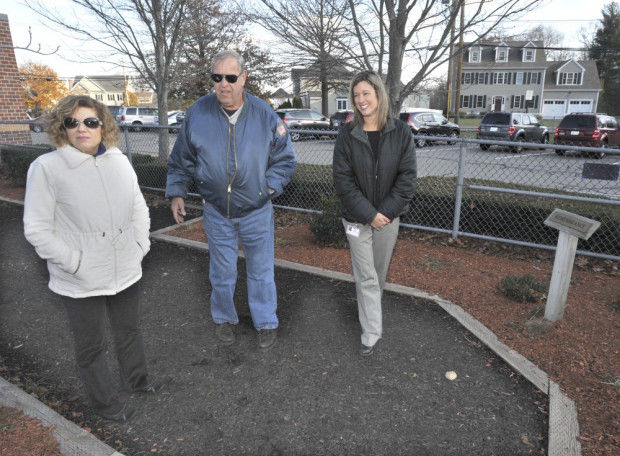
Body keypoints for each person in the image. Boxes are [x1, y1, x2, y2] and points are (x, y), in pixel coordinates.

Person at [23, 95, 165, 422]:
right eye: (72, 122)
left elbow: (138, 207)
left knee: (129, 330)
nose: (82, 129)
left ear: (103, 126)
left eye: (90, 121)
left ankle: (138, 381)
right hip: (81, 277)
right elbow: (37, 229)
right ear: (62, 128)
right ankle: (105, 403)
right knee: (91, 345)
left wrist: (140, 244)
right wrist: (76, 263)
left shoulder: (119, 160)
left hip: (125, 266)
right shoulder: (46, 168)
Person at [166, 50, 296, 350]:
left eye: (231, 77)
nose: (223, 84)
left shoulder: (265, 115)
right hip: (216, 212)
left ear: (243, 78)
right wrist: (177, 192)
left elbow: (285, 161)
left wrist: (268, 189)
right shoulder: (197, 113)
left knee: (261, 272)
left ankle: (265, 322)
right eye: (217, 77)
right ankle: (224, 318)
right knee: (221, 272)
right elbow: (181, 158)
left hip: (256, 211)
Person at [332, 71, 417, 356]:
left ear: (378, 95)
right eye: (356, 95)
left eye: (366, 93)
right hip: (356, 219)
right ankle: (371, 332)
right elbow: (343, 182)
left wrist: (385, 213)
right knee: (365, 275)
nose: (360, 100)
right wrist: (370, 214)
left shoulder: (402, 133)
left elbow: (407, 180)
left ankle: (371, 313)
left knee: (377, 275)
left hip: (388, 219)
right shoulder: (347, 134)